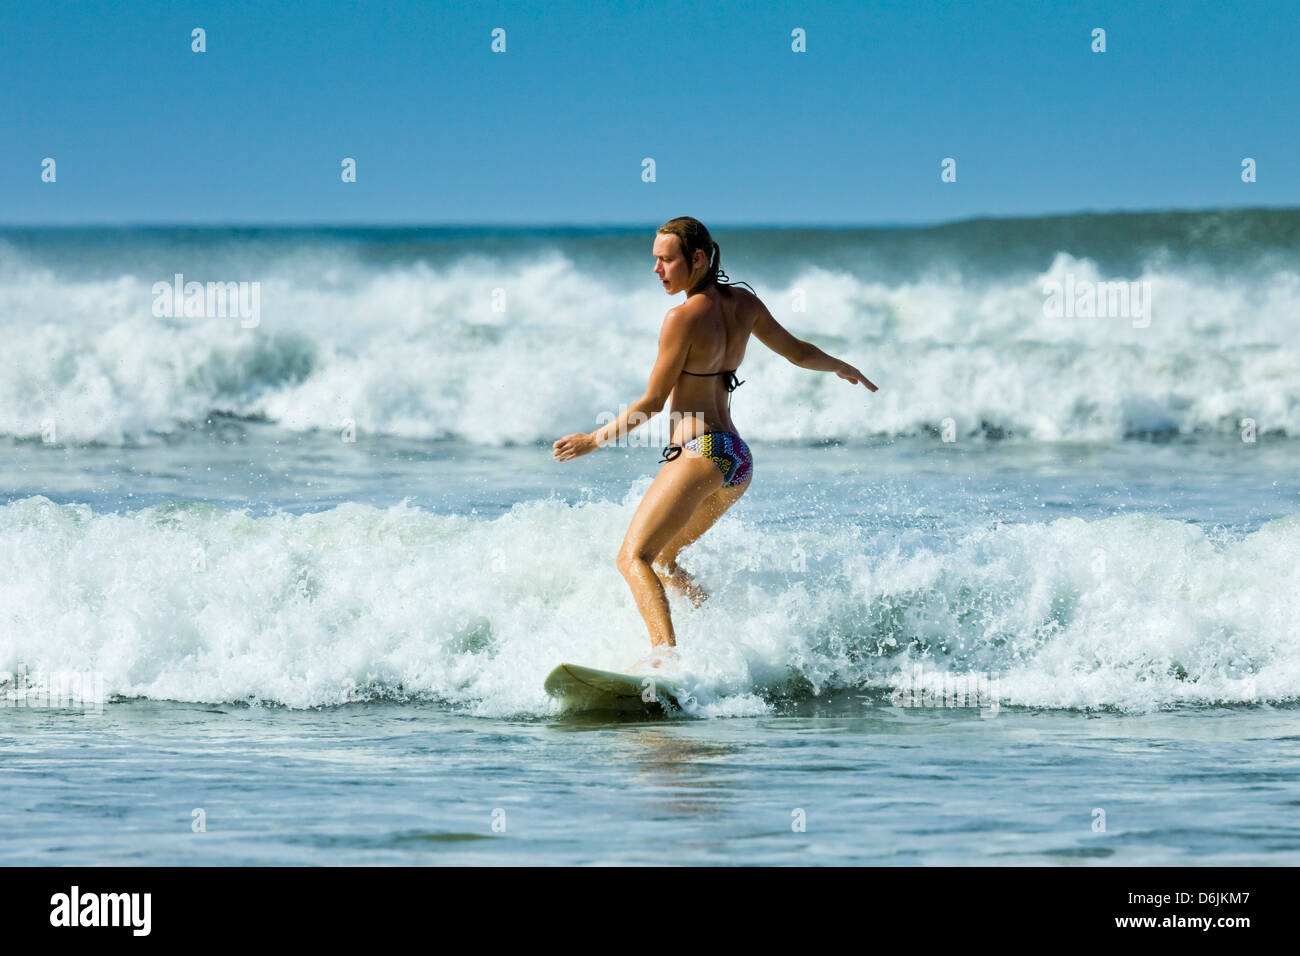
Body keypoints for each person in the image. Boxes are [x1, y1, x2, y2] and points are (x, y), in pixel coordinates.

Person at [552, 216, 877, 671]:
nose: (657, 269)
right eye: (655, 260)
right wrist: (842, 366)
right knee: (665, 559)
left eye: (667, 259)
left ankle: (664, 660)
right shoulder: (745, 303)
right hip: (736, 460)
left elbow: (652, 402)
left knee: (633, 558)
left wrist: (593, 439)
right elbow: (798, 352)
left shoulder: (681, 319)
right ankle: (726, 645)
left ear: (698, 258)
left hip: (701, 452)